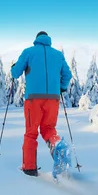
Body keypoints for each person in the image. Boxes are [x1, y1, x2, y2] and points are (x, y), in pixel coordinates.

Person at [10, 31, 72, 177]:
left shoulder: (29, 52)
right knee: (49, 128)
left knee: (31, 133)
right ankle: (57, 146)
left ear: (36, 39)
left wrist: (13, 68)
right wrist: (61, 87)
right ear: (48, 40)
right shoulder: (58, 55)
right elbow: (67, 75)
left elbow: (15, 73)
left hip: (33, 99)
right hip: (53, 99)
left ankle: (29, 167)